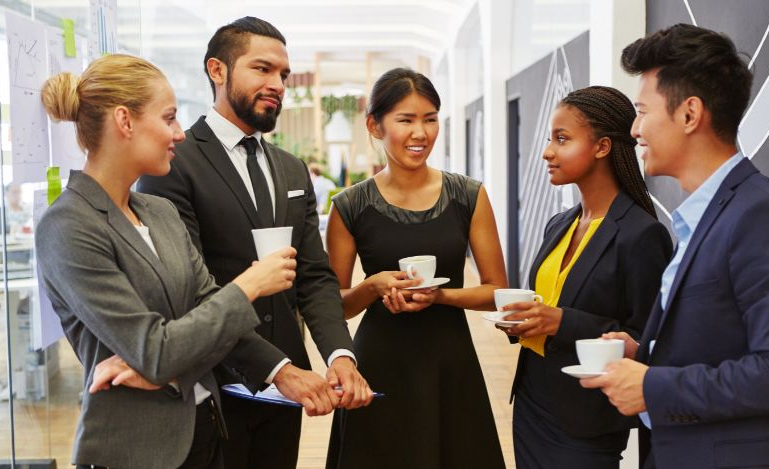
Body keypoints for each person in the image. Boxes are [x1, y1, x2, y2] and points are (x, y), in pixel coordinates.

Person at [36, 54, 307, 469]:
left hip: (205, 432)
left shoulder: (159, 212)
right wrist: (249, 285)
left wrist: (170, 367)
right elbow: (157, 349)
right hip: (136, 451)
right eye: (169, 118)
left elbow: (201, 316)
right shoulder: (69, 227)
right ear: (125, 121)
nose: (179, 134)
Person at [137, 16, 372, 469]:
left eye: (283, 74)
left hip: (287, 392)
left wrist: (339, 354)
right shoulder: (172, 163)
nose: (278, 84)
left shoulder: (291, 169)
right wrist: (276, 370)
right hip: (212, 386)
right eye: (262, 69)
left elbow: (315, 277)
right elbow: (186, 290)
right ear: (217, 70)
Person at [581, 24, 769, 469]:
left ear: (690, 114)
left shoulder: (759, 215)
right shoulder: (706, 214)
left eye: (641, 111)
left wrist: (652, 385)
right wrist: (648, 353)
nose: (634, 129)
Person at [325, 68, 507, 469]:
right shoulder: (349, 206)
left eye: (429, 119)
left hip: (450, 361)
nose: (420, 133)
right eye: (405, 120)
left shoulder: (468, 195)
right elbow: (334, 308)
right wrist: (371, 288)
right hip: (379, 363)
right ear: (375, 125)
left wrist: (440, 296)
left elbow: (496, 289)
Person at [497, 86, 672, 468]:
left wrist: (561, 321)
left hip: (588, 416)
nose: (547, 152)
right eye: (550, 139)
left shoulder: (641, 234)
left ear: (603, 147)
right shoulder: (558, 224)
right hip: (531, 401)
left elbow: (651, 339)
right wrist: (521, 321)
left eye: (562, 139)